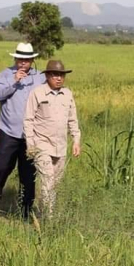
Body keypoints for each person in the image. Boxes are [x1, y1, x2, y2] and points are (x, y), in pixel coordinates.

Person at [0, 43, 46, 218]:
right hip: (9, 131)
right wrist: (14, 81)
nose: (23, 62)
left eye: (26, 59)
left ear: (32, 60)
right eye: (20, 59)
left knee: (28, 174)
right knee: (1, 168)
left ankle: (26, 211)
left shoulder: (40, 77)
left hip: (31, 134)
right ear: (15, 58)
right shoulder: (6, 74)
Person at [24, 60, 81, 218]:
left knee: (55, 183)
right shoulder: (37, 93)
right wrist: (31, 145)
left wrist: (76, 140)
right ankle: (48, 219)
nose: (59, 78)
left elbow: (72, 120)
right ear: (47, 76)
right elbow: (28, 120)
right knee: (47, 180)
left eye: (62, 75)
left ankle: (45, 212)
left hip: (60, 146)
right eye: (55, 75)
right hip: (41, 145)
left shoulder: (67, 94)